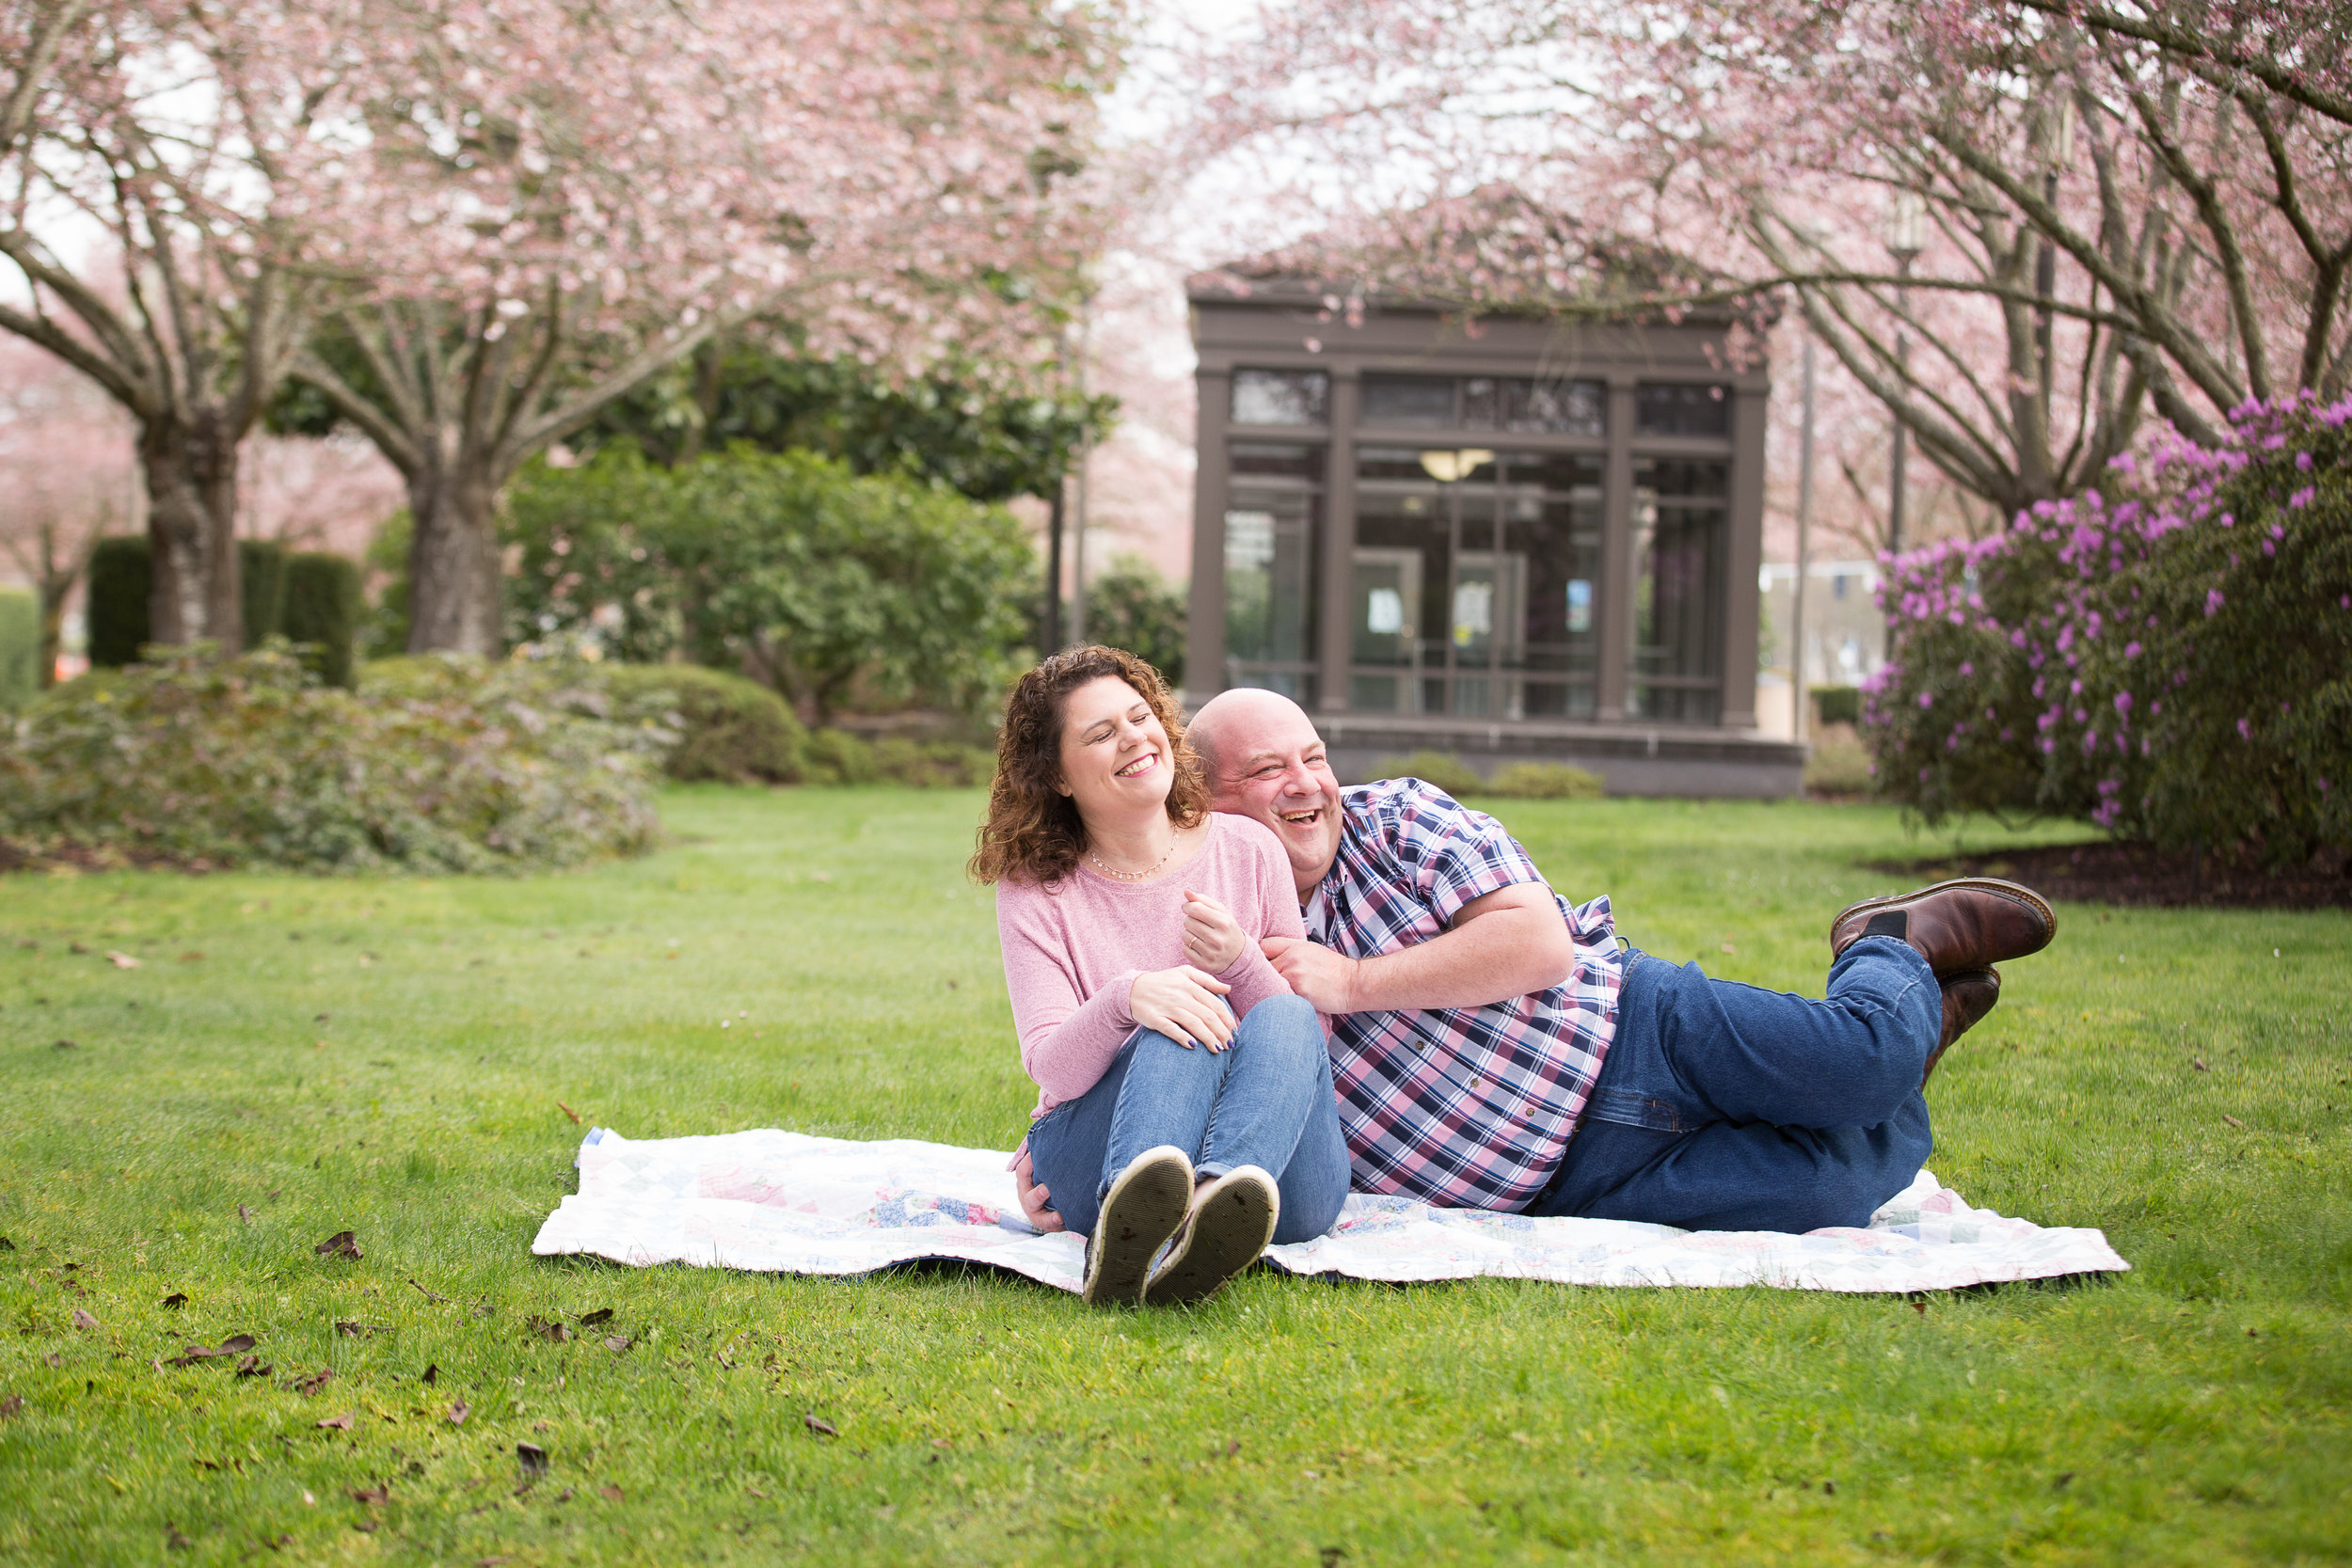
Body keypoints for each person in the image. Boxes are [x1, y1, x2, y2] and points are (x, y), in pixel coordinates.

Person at [1015, 686, 2053, 1237]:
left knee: (1862, 1068)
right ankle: (1921, 1019)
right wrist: (1050, 1155)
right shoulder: (1214, 911)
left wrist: (1353, 980)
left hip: (1638, 1031)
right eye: (1268, 770)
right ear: (1211, 799)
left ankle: (1888, 950)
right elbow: (1143, 1046)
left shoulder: (1405, 818)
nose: (1307, 784)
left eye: (1315, 757)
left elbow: (1538, 941)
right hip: (1575, 1176)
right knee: (1846, 1181)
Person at [971, 648, 1350, 1307]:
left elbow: (1306, 1043)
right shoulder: (1036, 888)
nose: (1133, 738)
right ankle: (1129, 1224)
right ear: (1057, 775)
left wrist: (1240, 959)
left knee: (1285, 1011)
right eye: (1099, 733)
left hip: (1275, 1177)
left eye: (1140, 716)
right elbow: (1053, 1070)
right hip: (1096, 1158)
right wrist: (1128, 998)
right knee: (1174, 1012)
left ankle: (1212, 1205)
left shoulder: (1251, 848)